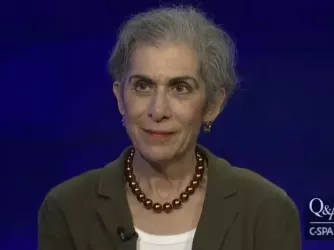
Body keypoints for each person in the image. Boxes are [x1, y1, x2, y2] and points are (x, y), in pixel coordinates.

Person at [38, 5, 301, 250]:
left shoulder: (265, 210)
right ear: (120, 97)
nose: (158, 110)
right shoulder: (67, 209)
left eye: (180, 88)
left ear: (212, 104)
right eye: (143, 86)